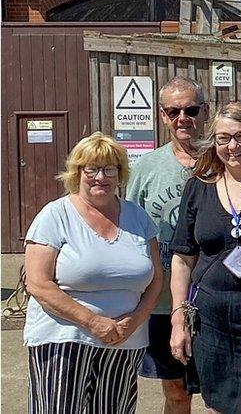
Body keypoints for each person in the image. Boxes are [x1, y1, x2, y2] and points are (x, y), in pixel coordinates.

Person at [23, 132, 163, 414]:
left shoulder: (138, 218)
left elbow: (157, 279)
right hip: (64, 340)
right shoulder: (54, 215)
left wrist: (133, 321)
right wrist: (93, 322)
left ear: (120, 173)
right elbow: (38, 283)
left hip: (125, 341)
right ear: (77, 173)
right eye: (92, 169)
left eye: (110, 168)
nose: (101, 177)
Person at [169, 103, 241, 413]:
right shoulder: (198, 188)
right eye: (223, 138)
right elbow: (182, 258)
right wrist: (179, 319)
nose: (232, 146)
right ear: (213, 144)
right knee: (217, 404)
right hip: (211, 318)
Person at [127, 76, 209, 412]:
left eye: (190, 109)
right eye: (173, 111)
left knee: (221, 391)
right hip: (162, 303)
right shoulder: (147, 167)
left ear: (204, 112)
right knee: (176, 392)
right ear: (163, 116)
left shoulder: (222, 160)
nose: (182, 118)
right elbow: (130, 229)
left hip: (212, 296)